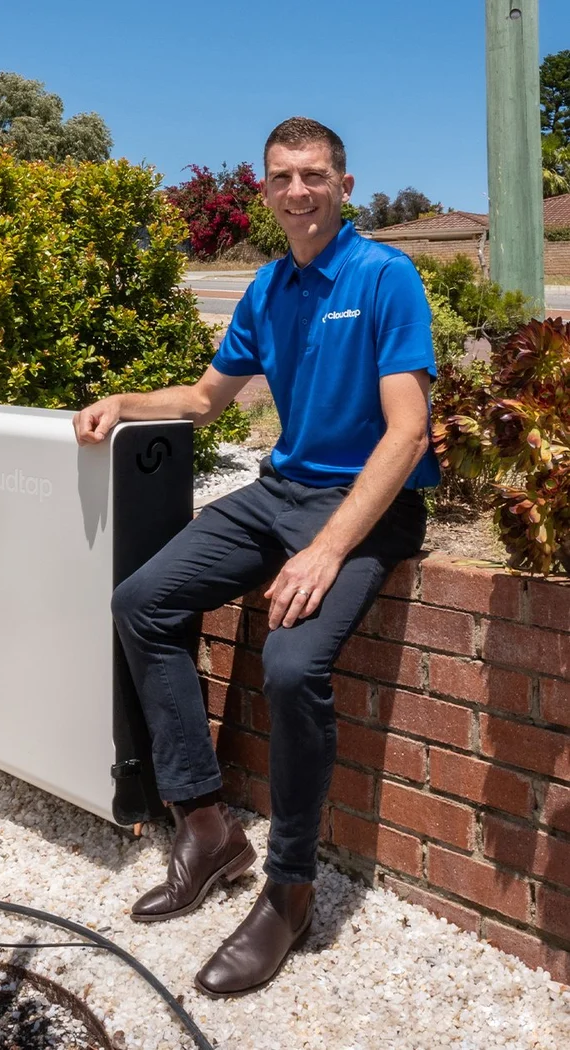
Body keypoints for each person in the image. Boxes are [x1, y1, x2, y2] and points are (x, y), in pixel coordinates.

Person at [73, 116, 439, 998]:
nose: (297, 191)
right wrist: (125, 400)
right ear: (264, 190)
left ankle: (290, 889)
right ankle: (205, 827)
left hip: (367, 507)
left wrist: (326, 550)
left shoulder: (384, 276)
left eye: (313, 174)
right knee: (142, 601)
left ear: (345, 186)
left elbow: (409, 432)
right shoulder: (269, 288)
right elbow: (207, 399)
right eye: (281, 177)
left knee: (289, 664)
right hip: (281, 494)